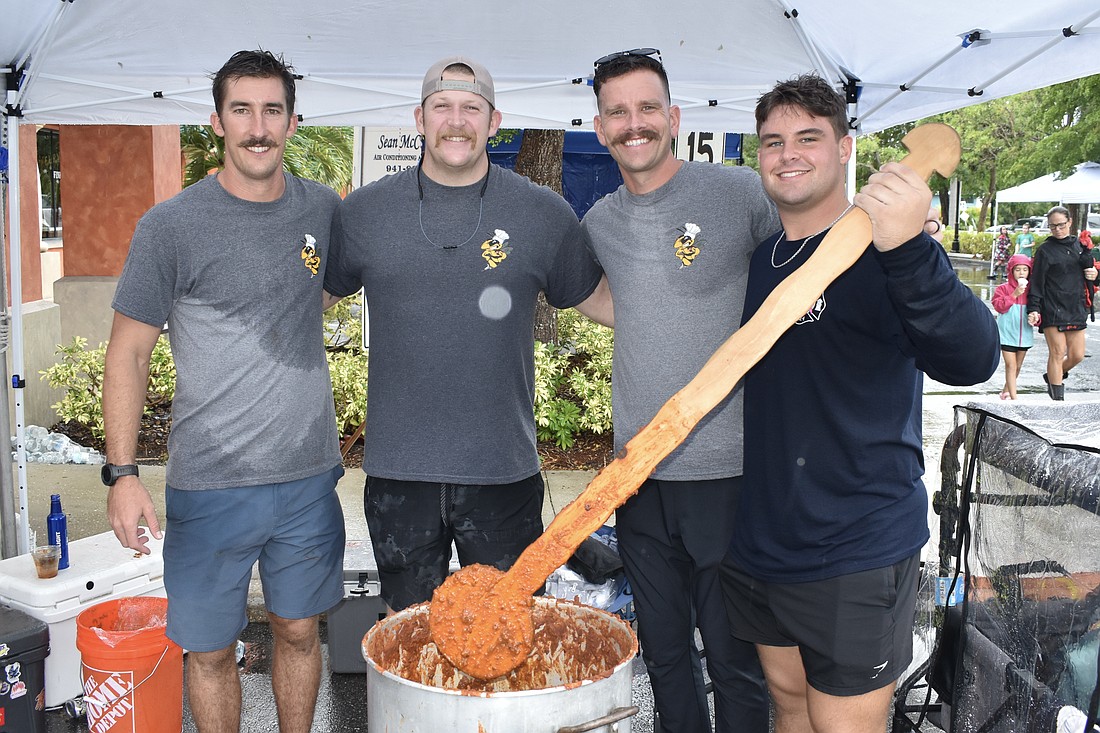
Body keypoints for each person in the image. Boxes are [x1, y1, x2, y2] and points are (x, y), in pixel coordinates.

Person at [719, 74, 999, 733]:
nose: (788, 153)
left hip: (855, 548)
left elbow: (973, 357)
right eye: (773, 141)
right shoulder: (766, 259)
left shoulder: (886, 252)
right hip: (765, 542)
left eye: (808, 138)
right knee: (788, 708)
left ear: (845, 148)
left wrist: (907, 248)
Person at [101, 50, 346, 733]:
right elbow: (127, 353)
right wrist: (122, 474)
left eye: (272, 110)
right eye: (242, 110)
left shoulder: (323, 210)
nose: (258, 127)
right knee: (210, 651)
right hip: (209, 484)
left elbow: (326, 289)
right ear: (217, 122)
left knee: (300, 631)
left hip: (305, 478)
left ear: (293, 123)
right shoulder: (171, 226)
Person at [323, 56, 612, 613]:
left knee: (507, 637)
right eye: (443, 107)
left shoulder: (542, 214)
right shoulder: (363, 213)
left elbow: (604, 303)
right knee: (409, 639)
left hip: (502, 472)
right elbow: (303, 304)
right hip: (398, 474)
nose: (457, 121)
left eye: (471, 108)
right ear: (419, 117)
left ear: (494, 121)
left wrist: (716, 318)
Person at [582, 48, 778, 733]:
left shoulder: (739, 193)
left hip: (730, 471)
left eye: (645, 108)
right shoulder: (600, 221)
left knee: (735, 661)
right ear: (600, 126)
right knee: (664, 657)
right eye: (617, 112)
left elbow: (800, 275)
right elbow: (600, 297)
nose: (632, 124)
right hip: (638, 477)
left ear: (673, 116)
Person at [1027, 206, 1098, 400]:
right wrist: (1033, 308)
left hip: (1076, 305)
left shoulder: (1081, 247)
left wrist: (1095, 275)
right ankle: (1057, 401)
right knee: (1057, 352)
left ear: (1069, 222)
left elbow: (1092, 275)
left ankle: (1052, 376)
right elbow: (1036, 282)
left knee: (1077, 355)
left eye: (1061, 225)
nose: (1057, 229)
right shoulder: (1045, 250)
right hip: (1052, 307)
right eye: (1052, 226)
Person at [992, 254, 1034, 400]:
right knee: (1011, 365)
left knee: (1018, 366)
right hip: (1007, 333)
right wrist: (1014, 294)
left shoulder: (1031, 291)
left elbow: (1037, 309)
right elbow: (999, 307)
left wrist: (1036, 317)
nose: (1021, 273)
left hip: (1024, 334)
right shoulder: (1003, 288)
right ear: (1011, 271)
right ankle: (1014, 398)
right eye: (1017, 270)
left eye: (1025, 269)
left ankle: (1005, 391)